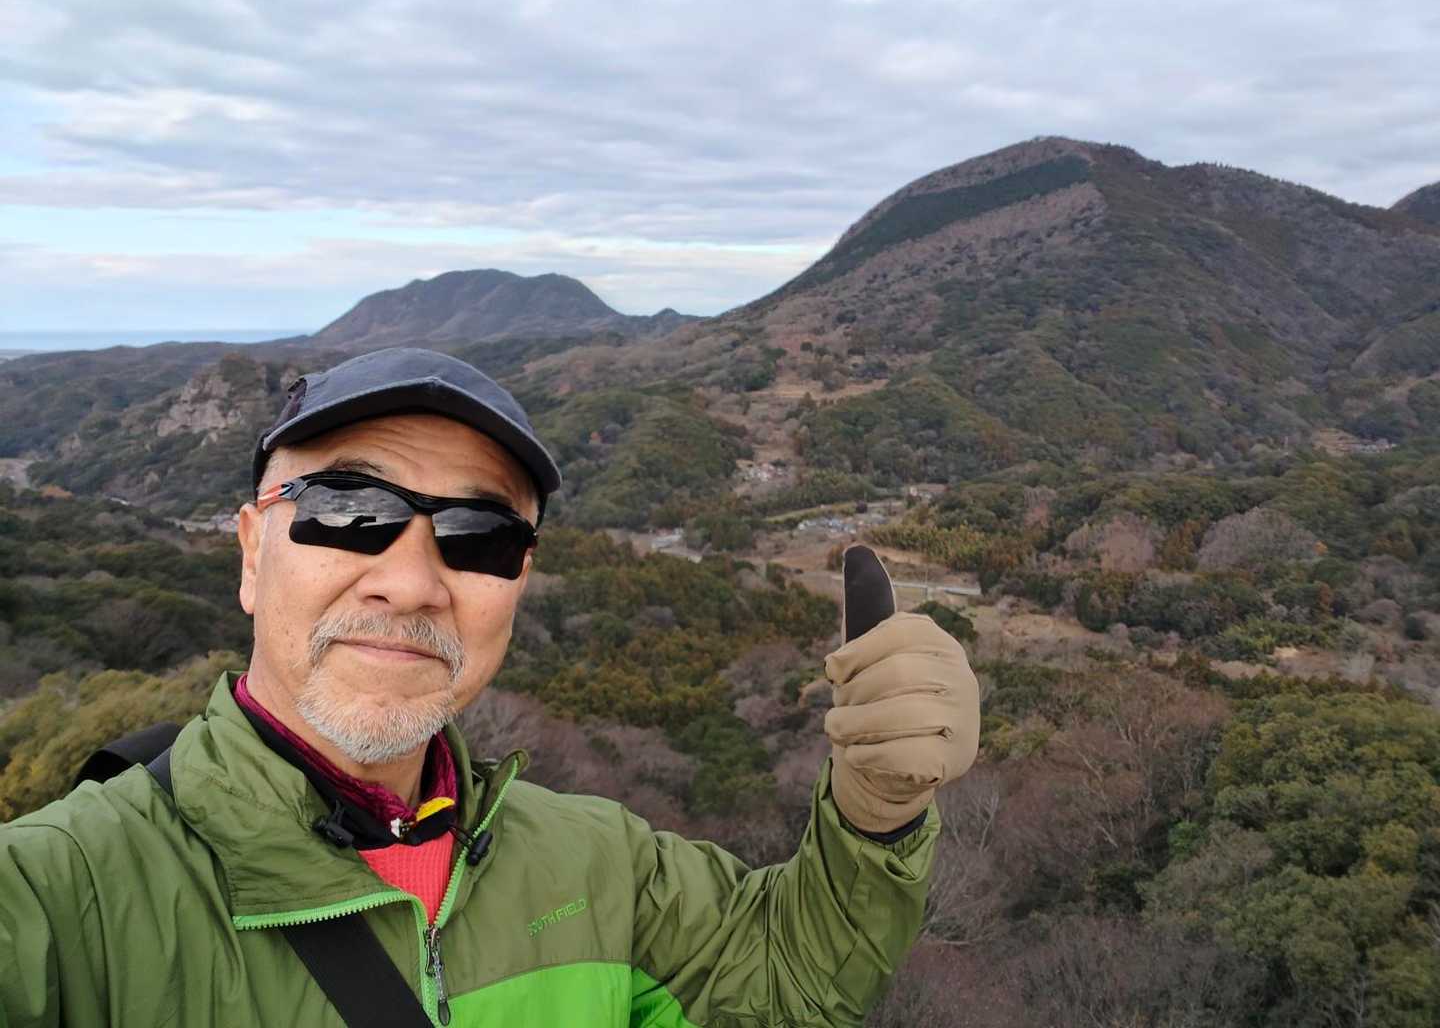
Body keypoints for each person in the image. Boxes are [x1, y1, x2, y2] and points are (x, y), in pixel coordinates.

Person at [0, 347, 980, 1027]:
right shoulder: (63, 893)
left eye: (479, 535)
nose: (412, 582)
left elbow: (785, 983)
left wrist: (876, 817)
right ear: (253, 551)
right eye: (349, 510)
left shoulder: (598, 863)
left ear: (519, 580)